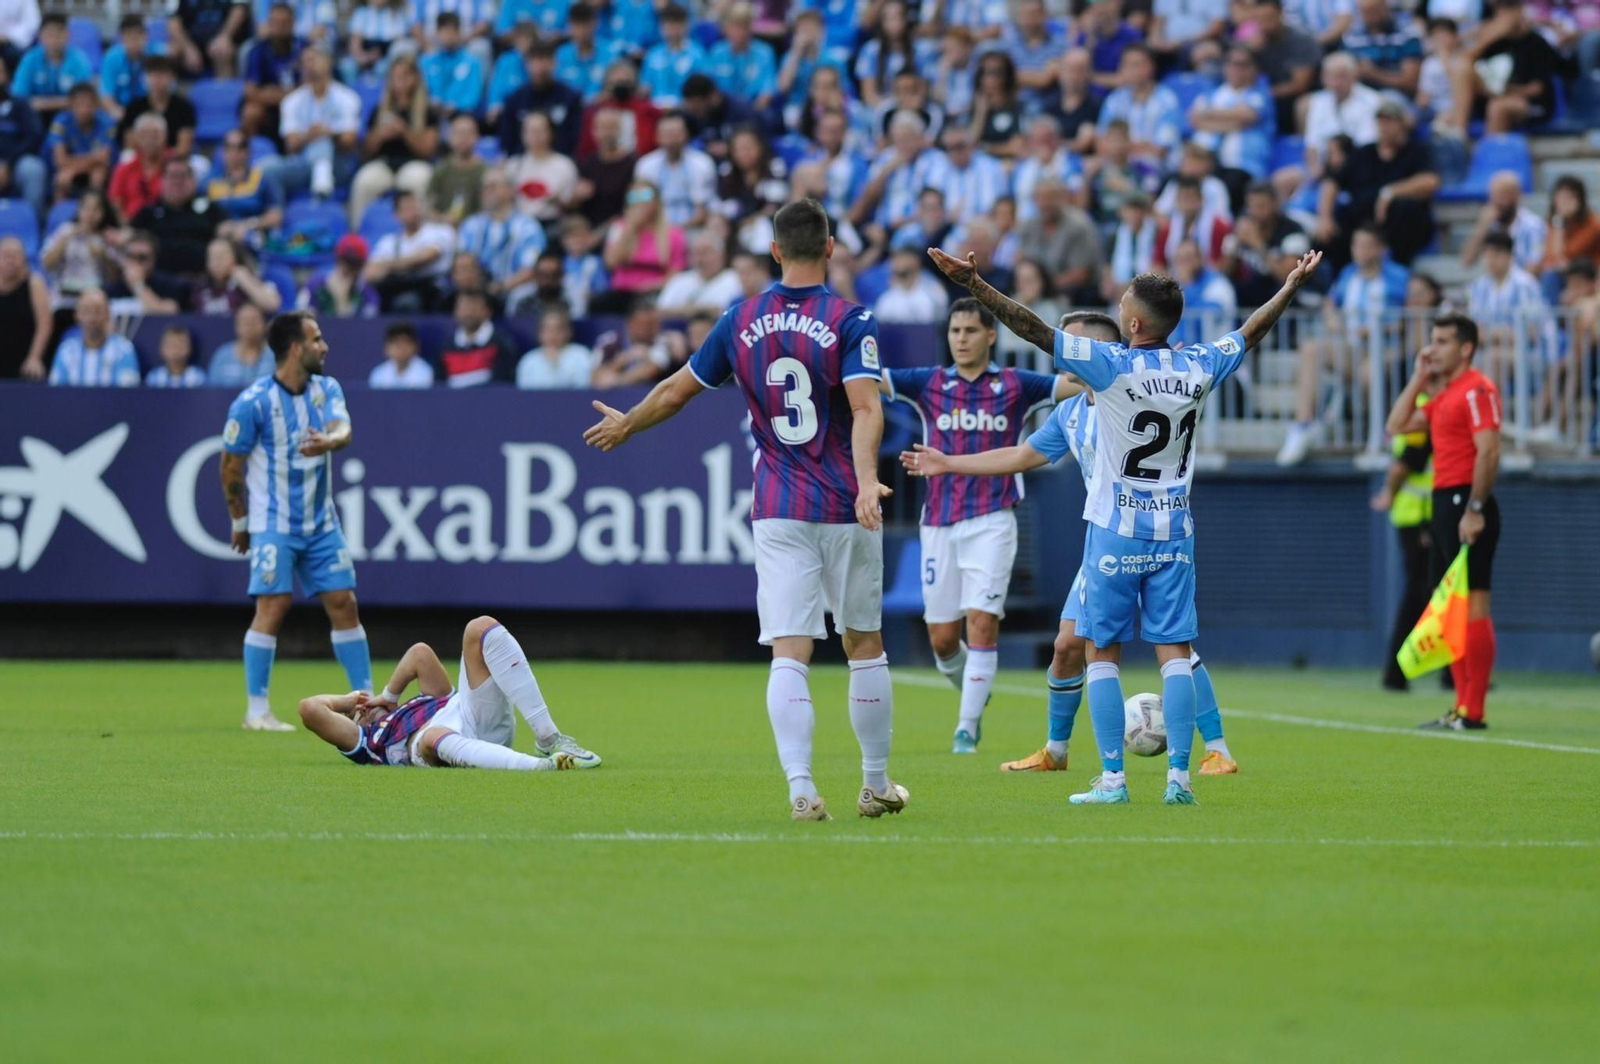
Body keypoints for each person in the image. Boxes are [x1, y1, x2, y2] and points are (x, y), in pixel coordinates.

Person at [926, 240, 1323, 803]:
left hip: (1115, 532)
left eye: (1121, 306)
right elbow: (1253, 331)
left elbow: (1033, 329)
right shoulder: (1199, 364)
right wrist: (1289, 287)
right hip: (1176, 532)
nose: (1116, 310)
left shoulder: (1111, 367)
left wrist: (975, 285)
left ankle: (1113, 779)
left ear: (1133, 321)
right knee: (1176, 655)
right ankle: (1180, 779)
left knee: (1101, 654)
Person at [584, 198, 907, 822]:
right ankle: (875, 785)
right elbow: (867, 408)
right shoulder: (850, 319)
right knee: (863, 642)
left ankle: (800, 790)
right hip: (845, 502)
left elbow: (677, 390)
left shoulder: (740, 319)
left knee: (790, 651)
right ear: (832, 248)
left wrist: (628, 424)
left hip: (779, 504)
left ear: (776, 251)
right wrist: (868, 481)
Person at [904, 310, 1241, 776]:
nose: (1063, 357)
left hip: (1155, 533)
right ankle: (1056, 753)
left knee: (1173, 646)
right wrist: (950, 462)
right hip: (1105, 540)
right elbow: (1022, 454)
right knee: (1066, 645)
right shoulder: (1069, 411)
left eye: (1073, 346)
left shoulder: (1127, 393)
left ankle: (1217, 746)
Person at [881, 298, 1072, 751]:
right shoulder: (927, 382)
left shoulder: (1016, 385)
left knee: (983, 623)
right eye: (954, 331)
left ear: (991, 335)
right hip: (939, 524)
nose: (961, 339)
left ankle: (966, 729)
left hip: (993, 519)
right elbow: (867, 381)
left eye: (970, 331)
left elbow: (1074, 385)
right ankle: (974, 690)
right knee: (943, 640)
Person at [220, 309, 370, 732]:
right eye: (317, 339)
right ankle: (257, 711)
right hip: (274, 523)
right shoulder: (253, 403)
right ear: (295, 348)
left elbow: (344, 429)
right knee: (273, 605)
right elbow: (230, 465)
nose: (325, 347)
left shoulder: (326, 389)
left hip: (322, 522)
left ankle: (368, 702)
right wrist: (240, 519)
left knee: (344, 603)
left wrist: (331, 441)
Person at [1385, 313, 1501, 730]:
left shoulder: (1477, 390)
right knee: (1451, 607)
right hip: (1444, 503)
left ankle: (1473, 709)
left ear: (1466, 348)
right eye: (1432, 340)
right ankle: (1461, 706)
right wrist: (1418, 376)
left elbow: (1488, 452)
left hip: (1465, 500)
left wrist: (1474, 509)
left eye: (1443, 341)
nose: (1434, 348)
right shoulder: (1446, 395)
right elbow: (1395, 425)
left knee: (1473, 604)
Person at [296, 615, 599, 770]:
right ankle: (540, 767)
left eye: (359, 706)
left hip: (477, 718)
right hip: (439, 746)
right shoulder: (368, 742)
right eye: (354, 715)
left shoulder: (423, 701)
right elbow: (310, 709)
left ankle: (549, 739)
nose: (361, 710)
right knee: (431, 737)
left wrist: (389, 696)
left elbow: (420, 654)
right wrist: (346, 702)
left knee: (480, 628)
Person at [1277, 223, 1409, 466]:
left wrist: (1378, 330)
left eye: (1366, 246)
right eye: (1356, 245)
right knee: (1312, 349)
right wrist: (1332, 319)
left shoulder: (1399, 277)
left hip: (1387, 350)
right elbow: (1330, 303)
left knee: (1371, 372)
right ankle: (1302, 426)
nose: (1360, 251)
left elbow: (1409, 318)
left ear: (1380, 249)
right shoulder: (1348, 274)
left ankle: (1379, 435)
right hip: (1352, 349)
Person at [1372, 387, 1434, 692]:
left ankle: (1451, 673)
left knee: (1430, 593)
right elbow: (1406, 463)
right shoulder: (1424, 410)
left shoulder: (1415, 406)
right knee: (1419, 593)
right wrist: (1389, 493)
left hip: (1419, 512)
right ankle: (1395, 671)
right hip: (1419, 515)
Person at [1437, 0, 1561, 139]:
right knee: (1462, 69)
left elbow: (1537, 89)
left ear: (1519, 10)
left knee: (1498, 107)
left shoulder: (1537, 43)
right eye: (1498, 8)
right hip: (1494, 95)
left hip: (1530, 103)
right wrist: (1490, 37)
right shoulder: (1495, 43)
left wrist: (1505, 91)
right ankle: (1459, 136)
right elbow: (1463, 64)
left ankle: (1489, 154)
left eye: (1508, 7)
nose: (1503, 14)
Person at [350, 55, 440, 228]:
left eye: (406, 76)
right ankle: (358, 234)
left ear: (415, 78)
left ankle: (424, 234)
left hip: (415, 163)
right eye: (396, 77)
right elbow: (366, 151)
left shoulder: (428, 111)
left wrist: (404, 132)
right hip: (384, 164)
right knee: (364, 181)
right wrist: (379, 135)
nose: (401, 81)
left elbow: (428, 151)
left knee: (418, 180)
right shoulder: (379, 110)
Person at [276, 44, 363, 199]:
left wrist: (329, 134)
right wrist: (310, 135)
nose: (309, 66)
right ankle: (277, 212)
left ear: (328, 62)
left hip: (338, 164)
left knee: (323, 143)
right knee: (267, 170)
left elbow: (349, 142)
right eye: (305, 62)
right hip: (302, 164)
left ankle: (322, 183)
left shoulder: (348, 98)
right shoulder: (291, 101)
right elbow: (291, 145)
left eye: (314, 60)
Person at [457, 167, 546, 313]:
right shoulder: (471, 226)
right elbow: (460, 262)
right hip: (475, 292)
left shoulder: (528, 227)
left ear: (510, 190)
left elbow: (531, 269)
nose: (487, 191)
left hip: (511, 290)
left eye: (493, 186)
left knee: (522, 295)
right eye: (485, 187)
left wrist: (500, 287)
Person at [131, 157, 227, 279]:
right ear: (162, 180)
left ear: (193, 180)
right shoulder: (149, 212)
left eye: (183, 176)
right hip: (159, 280)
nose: (178, 181)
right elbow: (130, 235)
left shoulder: (209, 208)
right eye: (173, 176)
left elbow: (227, 228)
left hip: (204, 279)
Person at [363, 189, 456, 312]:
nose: (414, 211)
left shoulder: (440, 232)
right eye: (407, 208)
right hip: (397, 290)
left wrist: (388, 266)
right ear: (396, 215)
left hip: (432, 291)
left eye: (415, 205)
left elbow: (425, 258)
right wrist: (402, 265)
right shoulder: (388, 242)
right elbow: (370, 273)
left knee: (407, 302)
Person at [600, 181, 687, 307]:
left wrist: (652, 285)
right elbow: (610, 262)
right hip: (622, 293)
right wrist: (630, 228)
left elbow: (676, 274)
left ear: (656, 201)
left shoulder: (674, 234)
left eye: (646, 196)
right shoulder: (619, 228)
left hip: (655, 292)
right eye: (633, 197)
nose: (639, 202)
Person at [495, 41, 583, 159]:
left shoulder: (570, 98)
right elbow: (507, 140)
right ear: (527, 65)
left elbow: (575, 140)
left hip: (560, 163)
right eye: (535, 61)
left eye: (545, 60)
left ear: (554, 63)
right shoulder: (514, 100)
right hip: (523, 164)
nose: (540, 67)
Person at [633, 111, 716, 229]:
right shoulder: (645, 165)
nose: (672, 140)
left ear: (686, 135)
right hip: (653, 228)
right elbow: (640, 205)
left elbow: (702, 211)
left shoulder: (702, 164)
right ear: (657, 137)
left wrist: (676, 232)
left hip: (692, 228)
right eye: (667, 134)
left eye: (676, 134)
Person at [47, 287, 141, 387]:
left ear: (108, 314)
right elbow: (56, 394)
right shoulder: (66, 351)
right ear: (77, 315)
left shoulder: (124, 350)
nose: (92, 317)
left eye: (98, 311)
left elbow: (129, 395)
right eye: (86, 311)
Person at [11, 13, 93, 124]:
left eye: (59, 34)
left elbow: (83, 99)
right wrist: (64, 102)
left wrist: (42, 103)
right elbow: (19, 99)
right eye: (49, 34)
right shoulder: (30, 59)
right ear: (40, 36)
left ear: (68, 35)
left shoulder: (78, 59)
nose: (54, 39)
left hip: (69, 116)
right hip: (36, 115)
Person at [1460, 170, 1547, 272]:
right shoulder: (1489, 226)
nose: (1497, 202)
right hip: (1493, 285)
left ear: (1516, 197)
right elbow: (1466, 261)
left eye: (1502, 196)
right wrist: (1482, 227)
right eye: (1493, 197)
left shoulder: (1532, 226)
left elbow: (1534, 267)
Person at [210, 131, 288, 243]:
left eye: (240, 147)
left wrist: (249, 224)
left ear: (248, 151)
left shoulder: (263, 178)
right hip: (220, 239)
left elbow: (277, 215)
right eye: (229, 147)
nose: (235, 153)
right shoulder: (210, 181)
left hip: (252, 236)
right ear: (223, 152)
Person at [242, 3, 303, 140]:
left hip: (300, 107)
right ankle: (251, 152)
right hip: (269, 110)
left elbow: (311, 86)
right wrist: (290, 94)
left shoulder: (304, 48)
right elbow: (251, 92)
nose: (280, 28)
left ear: (293, 23)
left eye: (284, 23)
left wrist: (274, 92)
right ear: (269, 23)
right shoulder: (257, 51)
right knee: (251, 112)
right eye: (275, 23)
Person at [590, 298, 684, 387]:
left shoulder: (664, 340)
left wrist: (619, 381)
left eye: (655, 323)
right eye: (646, 324)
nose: (651, 329)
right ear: (630, 323)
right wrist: (624, 359)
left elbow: (654, 368)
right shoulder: (609, 342)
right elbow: (596, 377)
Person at [45, 82, 115, 200]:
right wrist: (92, 159)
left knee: (98, 175)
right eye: (81, 105)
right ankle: (59, 214)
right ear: (71, 105)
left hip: (94, 168)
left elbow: (104, 158)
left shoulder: (107, 122)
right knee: (62, 178)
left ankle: (95, 211)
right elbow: (60, 160)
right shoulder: (60, 122)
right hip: (74, 167)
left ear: (96, 105)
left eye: (90, 105)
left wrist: (74, 166)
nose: (85, 110)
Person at [115, 56, 197, 157]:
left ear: (172, 77)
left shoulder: (184, 107)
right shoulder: (134, 107)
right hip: (141, 161)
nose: (157, 80)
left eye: (162, 75)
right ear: (145, 78)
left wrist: (162, 159)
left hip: (173, 160)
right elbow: (130, 144)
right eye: (153, 75)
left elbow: (184, 146)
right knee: (126, 156)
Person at [505, 111, 578, 224]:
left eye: (539, 131)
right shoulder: (513, 165)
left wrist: (558, 201)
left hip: (552, 223)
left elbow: (571, 206)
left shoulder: (565, 165)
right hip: (519, 224)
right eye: (530, 131)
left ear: (551, 133)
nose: (534, 135)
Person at [40, 188, 113, 300]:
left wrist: (103, 256)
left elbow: (114, 278)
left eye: (96, 209)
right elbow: (46, 264)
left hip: (94, 297)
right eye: (86, 208)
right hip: (64, 295)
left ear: (103, 213)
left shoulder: (107, 237)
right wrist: (64, 242)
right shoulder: (64, 231)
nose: (90, 214)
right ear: (79, 209)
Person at [435, 288, 515, 386]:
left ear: (487, 311)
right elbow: (439, 385)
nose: (468, 313)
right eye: (463, 308)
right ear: (455, 312)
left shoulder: (502, 343)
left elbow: (502, 384)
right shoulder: (445, 346)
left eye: (473, 308)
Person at [0, 55, 47, 222]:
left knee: (34, 170)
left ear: (6, 76)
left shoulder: (20, 105)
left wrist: (8, 163)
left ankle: (32, 226)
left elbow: (33, 136)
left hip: (17, 162)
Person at [574, 107, 636, 232]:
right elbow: (575, 206)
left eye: (611, 127)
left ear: (620, 130)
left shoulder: (633, 164)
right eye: (602, 128)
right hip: (589, 229)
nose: (607, 133)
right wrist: (577, 197)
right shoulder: (587, 164)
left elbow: (633, 207)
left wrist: (600, 234)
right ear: (594, 132)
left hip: (622, 228)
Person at [657, 229, 741, 316]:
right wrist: (702, 310)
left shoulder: (735, 279)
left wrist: (688, 310)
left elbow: (727, 311)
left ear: (721, 255)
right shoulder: (679, 280)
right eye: (696, 253)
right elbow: (661, 311)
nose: (700, 259)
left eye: (705, 252)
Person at [192, 238, 283, 315]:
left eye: (222, 256)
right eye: (213, 257)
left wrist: (246, 281)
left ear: (234, 258)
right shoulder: (200, 287)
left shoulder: (249, 279)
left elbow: (273, 305)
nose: (218, 262)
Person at [516, 303, 595, 388]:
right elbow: (523, 394)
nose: (553, 334)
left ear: (568, 331)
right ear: (539, 333)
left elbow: (585, 387)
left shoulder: (581, 355)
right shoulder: (529, 360)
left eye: (558, 329)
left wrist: (556, 365)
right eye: (548, 329)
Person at [302, 233, 381, 317]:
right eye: (343, 261)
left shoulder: (368, 295)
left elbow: (364, 327)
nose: (345, 268)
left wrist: (341, 300)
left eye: (353, 265)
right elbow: (302, 319)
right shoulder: (314, 287)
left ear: (362, 265)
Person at [109, 113, 168, 223]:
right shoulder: (124, 169)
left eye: (156, 134)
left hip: (167, 227)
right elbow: (116, 204)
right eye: (144, 135)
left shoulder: (174, 167)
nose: (150, 140)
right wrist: (127, 227)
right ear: (136, 138)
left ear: (165, 136)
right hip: (132, 228)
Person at [169, 0, 253, 77]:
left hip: (222, 37)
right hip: (191, 41)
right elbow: (173, 21)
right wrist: (188, 47)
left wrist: (225, 36)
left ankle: (223, 91)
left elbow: (239, 10)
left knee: (222, 50)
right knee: (170, 52)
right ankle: (176, 92)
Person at [873, 246, 950, 324]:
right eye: (895, 258)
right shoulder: (888, 297)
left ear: (915, 261)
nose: (896, 262)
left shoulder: (933, 290)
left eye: (901, 257)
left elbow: (941, 322)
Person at [208, 301, 275, 386]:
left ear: (264, 325)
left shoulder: (275, 356)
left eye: (254, 321)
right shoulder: (222, 356)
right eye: (245, 321)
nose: (250, 326)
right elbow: (212, 392)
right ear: (236, 325)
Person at [101, 15, 154, 119]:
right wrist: (122, 116)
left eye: (138, 35)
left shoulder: (156, 55)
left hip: (151, 112)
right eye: (129, 36)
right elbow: (106, 96)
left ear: (146, 36)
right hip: (121, 111)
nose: (134, 41)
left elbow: (165, 92)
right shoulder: (111, 58)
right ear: (121, 38)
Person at [368, 320, 434, 387]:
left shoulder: (425, 371)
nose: (401, 348)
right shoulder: (378, 373)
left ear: (415, 346)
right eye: (396, 344)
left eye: (405, 343)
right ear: (387, 348)